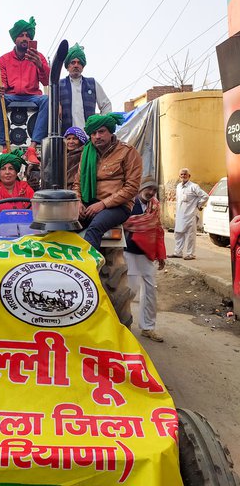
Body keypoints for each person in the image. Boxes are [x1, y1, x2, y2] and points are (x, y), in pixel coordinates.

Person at [73, 113, 142, 251]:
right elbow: (77, 183)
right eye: (93, 133)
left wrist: (103, 204)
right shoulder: (87, 153)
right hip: (89, 203)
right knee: (63, 224)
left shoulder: (127, 152)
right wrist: (78, 202)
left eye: (101, 131)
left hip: (118, 206)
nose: (97, 136)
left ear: (111, 132)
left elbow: (132, 187)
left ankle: (88, 268)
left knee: (96, 227)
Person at [0, 17, 50, 164]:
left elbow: (47, 81)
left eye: (28, 36)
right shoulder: (4, 59)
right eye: (21, 35)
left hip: (32, 96)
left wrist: (40, 65)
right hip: (11, 95)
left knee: (47, 100)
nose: (25, 38)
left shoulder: (39, 56)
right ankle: (5, 147)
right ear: (15, 39)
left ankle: (32, 148)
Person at [123, 179, 166, 342]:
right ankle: (123, 323)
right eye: (149, 189)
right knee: (131, 290)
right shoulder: (128, 203)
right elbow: (123, 225)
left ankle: (148, 327)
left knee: (150, 290)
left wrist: (161, 255)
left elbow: (158, 230)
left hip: (147, 254)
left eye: (154, 190)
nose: (151, 193)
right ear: (141, 188)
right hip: (129, 252)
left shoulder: (154, 206)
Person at [60, 43, 112, 134]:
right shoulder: (59, 85)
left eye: (79, 63)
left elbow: (106, 105)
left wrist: (102, 125)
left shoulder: (92, 83)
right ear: (68, 66)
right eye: (73, 62)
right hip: (67, 139)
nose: (76, 65)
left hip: (89, 137)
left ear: (82, 67)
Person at [0, 150, 34, 222]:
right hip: (0, 231)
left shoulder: (25, 187)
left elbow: (36, 211)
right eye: (3, 169)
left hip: (25, 231)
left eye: (11, 168)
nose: (7, 172)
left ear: (16, 172)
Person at [169, 168, 209, 260]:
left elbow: (205, 196)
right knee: (178, 233)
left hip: (190, 215)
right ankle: (178, 252)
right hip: (180, 215)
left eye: (185, 174)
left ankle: (191, 254)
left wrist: (199, 204)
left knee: (190, 235)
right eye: (181, 175)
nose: (183, 176)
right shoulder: (178, 186)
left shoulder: (194, 186)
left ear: (189, 176)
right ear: (179, 176)